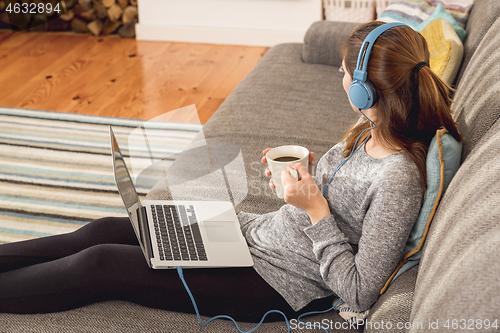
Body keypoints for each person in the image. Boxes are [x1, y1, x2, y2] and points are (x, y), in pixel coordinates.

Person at [0, 21, 461, 323]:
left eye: (343, 72)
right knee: (105, 229)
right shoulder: (370, 128)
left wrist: (315, 210)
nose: (340, 79)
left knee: (97, 263)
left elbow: (359, 293)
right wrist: (300, 183)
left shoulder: (398, 178)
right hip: (253, 237)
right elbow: (339, 201)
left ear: (365, 91)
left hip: (277, 283)